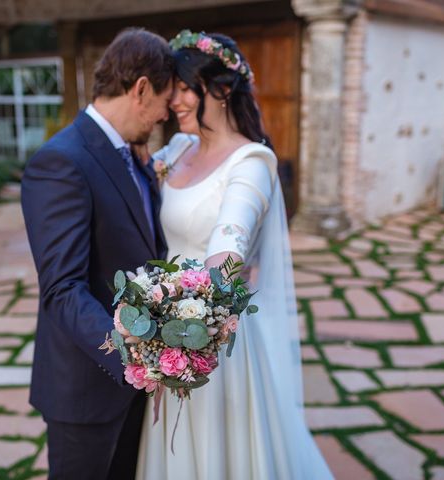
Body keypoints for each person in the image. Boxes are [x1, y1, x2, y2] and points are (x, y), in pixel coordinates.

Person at [136, 30, 334, 479]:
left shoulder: (251, 164)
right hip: (164, 332)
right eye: (174, 89)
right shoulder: (178, 149)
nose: (175, 101)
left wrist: (185, 310)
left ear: (222, 89)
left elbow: (229, 250)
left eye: (186, 88)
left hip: (214, 339)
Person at [20, 28, 173, 480]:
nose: (165, 115)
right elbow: (63, 290)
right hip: (85, 389)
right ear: (141, 89)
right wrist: (130, 359)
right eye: (164, 101)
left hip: (132, 390)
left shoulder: (132, 156)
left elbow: (145, 252)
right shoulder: (61, 162)